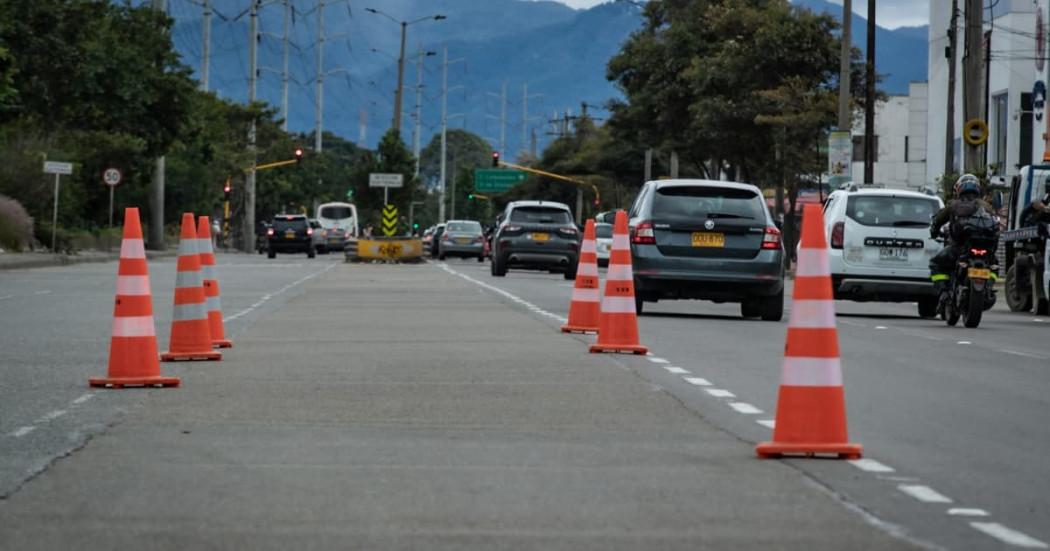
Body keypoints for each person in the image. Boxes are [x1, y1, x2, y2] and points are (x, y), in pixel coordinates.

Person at [928, 174, 995, 307]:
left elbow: (937, 221)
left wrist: (934, 232)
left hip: (959, 249)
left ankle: (944, 292)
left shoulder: (953, 205)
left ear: (959, 189)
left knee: (936, 264)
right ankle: (988, 288)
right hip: (985, 251)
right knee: (994, 266)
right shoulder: (986, 206)